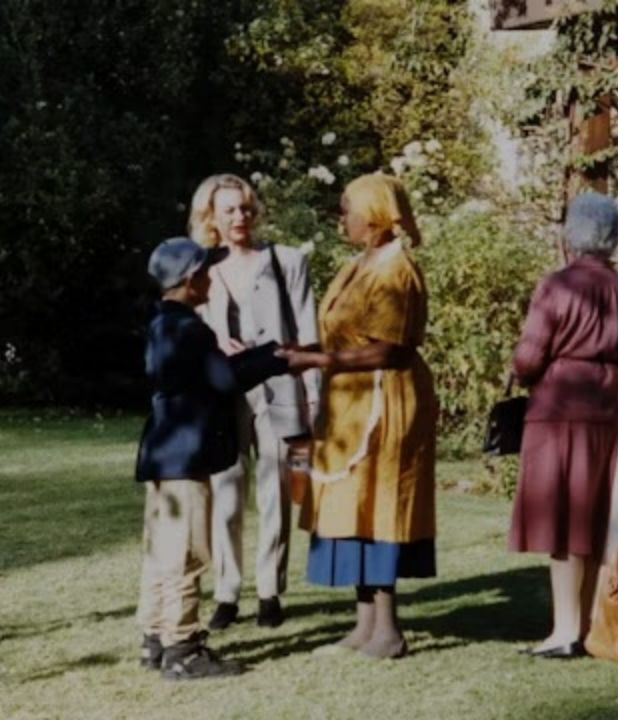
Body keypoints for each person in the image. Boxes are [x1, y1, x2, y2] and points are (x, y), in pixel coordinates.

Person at [134, 237, 310, 680]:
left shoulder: (161, 322)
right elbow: (224, 378)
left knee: (160, 551)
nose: (211, 279)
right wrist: (277, 358)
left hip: (162, 451)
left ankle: (154, 637)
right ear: (192, 278)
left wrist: (262, 355)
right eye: (206, 272)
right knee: (187, 552)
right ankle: (183, 649)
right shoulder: (190, 328)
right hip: (186, 455)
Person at [289, 173, 437, 659]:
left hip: (385, 401)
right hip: (348, 402)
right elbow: (343, 334)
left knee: (379, 503)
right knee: (351, 504)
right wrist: (302, 350)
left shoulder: (397, 270)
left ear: (374, 214)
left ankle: (388, 630)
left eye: (347, 209)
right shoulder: (357, 265)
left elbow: (389, 349)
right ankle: (364, 624)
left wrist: (319, 360)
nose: (341, 218)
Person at [188, 173, 321, 629]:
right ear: (211, 216)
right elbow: (186, 332)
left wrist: (314, 396)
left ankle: (269, 591)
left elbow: (308, 332)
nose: (239, 217)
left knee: (276, 490)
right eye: (229, 210)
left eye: (245, 208)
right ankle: (227, 592)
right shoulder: (201, 266)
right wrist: (214, 341)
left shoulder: (286, 261)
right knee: (226, 492)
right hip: (224, 391)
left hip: (279, 388)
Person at [509, 191, 618, 659]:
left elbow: (529, 355)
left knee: (562, 520)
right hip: (608, 403)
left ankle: (563, 630)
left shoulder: (557, 284)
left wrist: (520, 371)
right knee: (592, 514)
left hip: (561, 404)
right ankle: (584, 624)